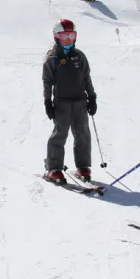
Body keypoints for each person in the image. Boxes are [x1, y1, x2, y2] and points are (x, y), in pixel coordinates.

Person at [42, 19, 97, 183]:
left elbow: (86, 77)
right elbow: (47, 82)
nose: (68, 40)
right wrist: (47, 102)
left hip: (80, 101)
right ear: (56, 36)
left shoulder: (79, 56)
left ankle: (83, 167)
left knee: (82, 134)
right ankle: (54, 168)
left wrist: (92, 97)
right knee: (60, 134)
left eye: (71, 36)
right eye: (65, 36)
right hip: (62, 103)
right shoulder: (52, 58)